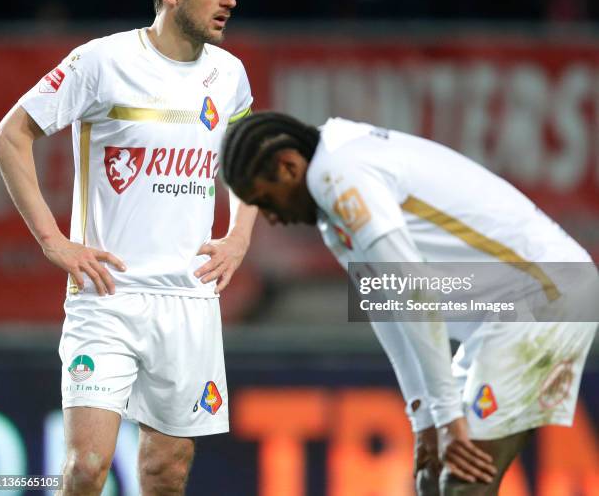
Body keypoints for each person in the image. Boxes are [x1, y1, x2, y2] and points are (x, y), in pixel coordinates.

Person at [0, 0, 257, 495]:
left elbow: (246, 158)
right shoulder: (101, 62)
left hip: (188, 300)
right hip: (106, 297)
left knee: (167, 470)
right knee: (87, 466)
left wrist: (238, 235)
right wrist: (52, 241)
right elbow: (8, 136)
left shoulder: (228, 76)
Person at [220, 111, 597, 496]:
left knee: (463, 481)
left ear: (288, 166)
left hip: (547, 294)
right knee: (431, 481)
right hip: (507, 313)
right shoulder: (330, 191)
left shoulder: (340, 175)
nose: (269, 217)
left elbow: (414, 294)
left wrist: (448, 417)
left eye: (264, 200)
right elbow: (387, 306)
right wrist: (424, 418)